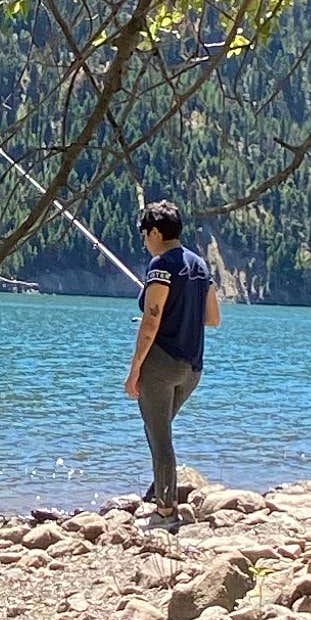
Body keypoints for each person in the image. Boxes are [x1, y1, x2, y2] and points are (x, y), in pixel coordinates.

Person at [124, 199, 216, 512]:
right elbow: (213, 317)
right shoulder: (200, 265)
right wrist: (181, 312)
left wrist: (135, 369)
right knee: (160, 431)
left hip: (161, 365)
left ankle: (165, 507)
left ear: (155, 232)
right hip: (192, 369)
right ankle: (159, 494)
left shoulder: (160, 265)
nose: (144, 240)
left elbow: (151, 323)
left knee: (158, 436)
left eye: (144, 233)